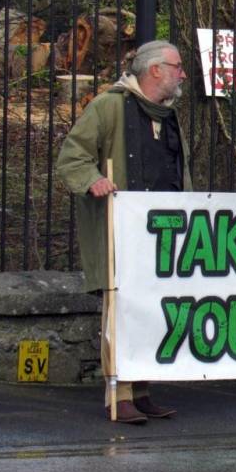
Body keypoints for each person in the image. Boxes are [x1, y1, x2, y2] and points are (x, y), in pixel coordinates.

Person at [57, 40, 193, 424]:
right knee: (120, 312)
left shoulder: (167, 116)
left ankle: (142, 389)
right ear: (154, 70)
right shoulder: (108, 107)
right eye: (177, 66)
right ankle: (118, 395)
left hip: (160, 236)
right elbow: (72, 158)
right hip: (120, 234)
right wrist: (94, 179)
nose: (182, 73)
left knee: (152, 311)